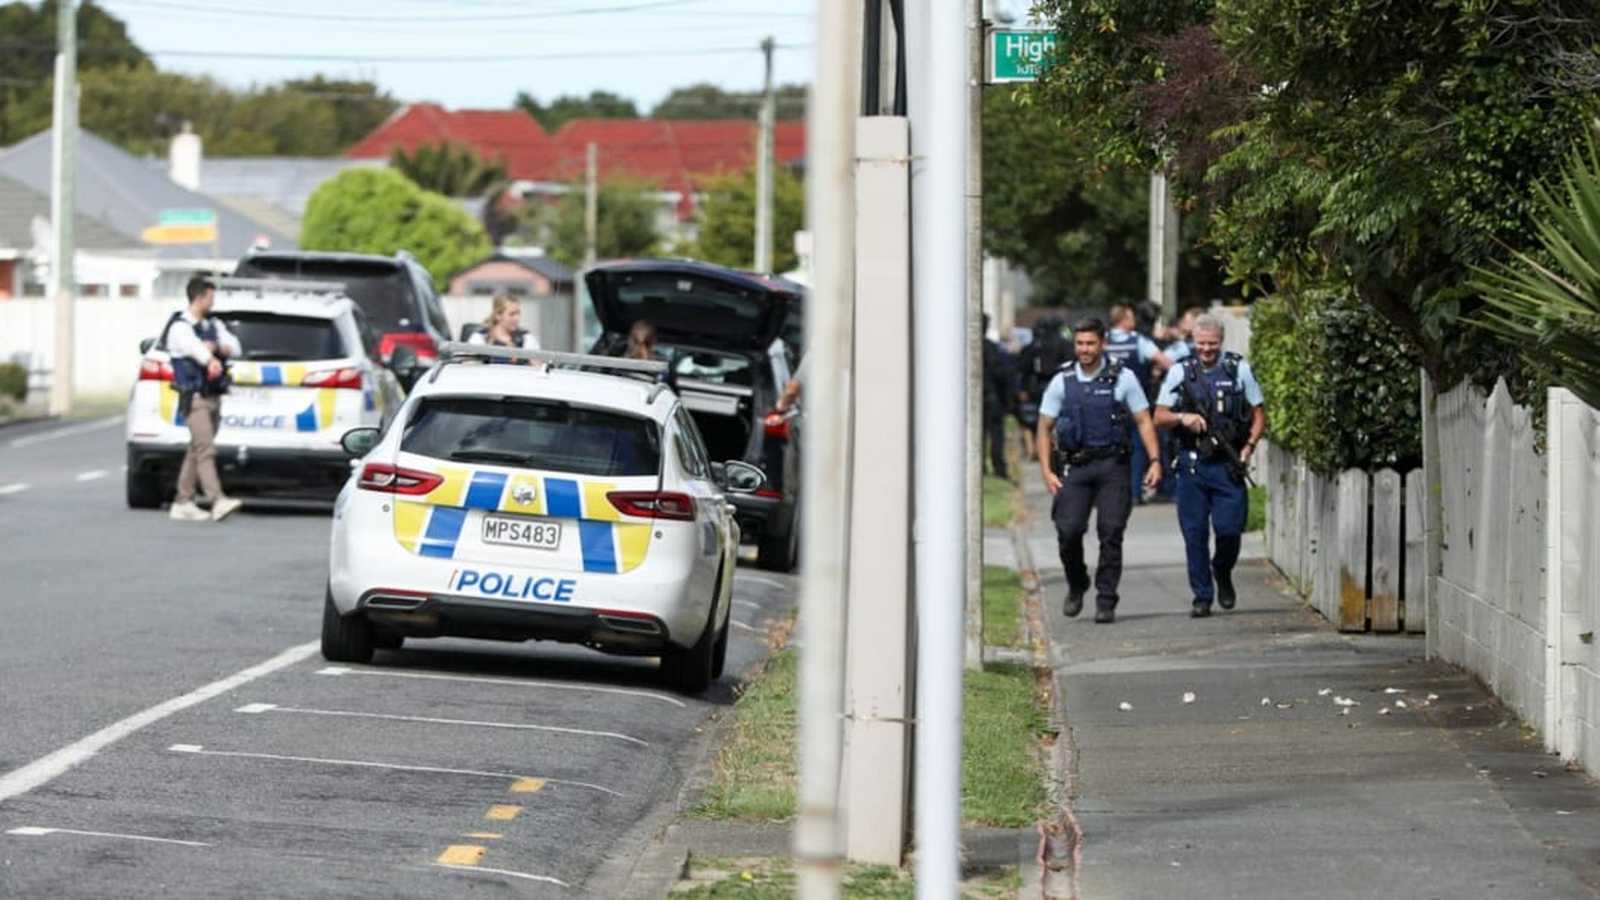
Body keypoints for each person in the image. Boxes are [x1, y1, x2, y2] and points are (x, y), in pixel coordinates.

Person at [1036, 317, 1163, 624]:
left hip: (1113, 467)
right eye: (1080, 343)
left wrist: (1155, 460)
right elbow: (1044, 427)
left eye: (1091, 343)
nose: (1085, 349)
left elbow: (1144, 420)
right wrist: (1046, 471)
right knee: (1068, 531)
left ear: (1103, 343)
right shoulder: (1062, 380)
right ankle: (1077, 582)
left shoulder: (1124, 378)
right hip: (1076, 467)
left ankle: (1106, 599)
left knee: (1111, 532)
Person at [1153, 313, 1266, 618]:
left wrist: (1249, 448)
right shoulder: (1180, 372)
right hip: (1192, 467)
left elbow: (1258, 415)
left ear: (1221, 342)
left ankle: (1223, 571)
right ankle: (1201, 596)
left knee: (1230, 531)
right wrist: (1182, 418)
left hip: (1228, 466)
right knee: (1195, 534)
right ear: (1193, 341)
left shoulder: (1237, 369)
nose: (1206, 350)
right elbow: (1159, 416)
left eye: (1212, 344)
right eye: (1201, 344)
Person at [163, 276, 243, 523]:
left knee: (196, 449)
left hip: (213, 396)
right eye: (210, 297)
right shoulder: (179, 327)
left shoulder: (213, 324)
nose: (213, 301)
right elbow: (195, 349)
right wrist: (211, 358)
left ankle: (183, 501)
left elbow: (235, 346)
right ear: (199, 298)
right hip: (194, 396)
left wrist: (217, 348)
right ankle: (217, 499)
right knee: (206, 448)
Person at [1103, 304, 1174, 504]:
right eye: (1131, 316)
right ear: (1124, 319)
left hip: (1105, 402)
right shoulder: (1138, 341)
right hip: (1136, 403)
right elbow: (1167, 362)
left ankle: (1108, 493)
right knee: (1137, 448)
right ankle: (1133, 493)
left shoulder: (1103, 341)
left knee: (1106, 447)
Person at [982, 313, 1016, 480]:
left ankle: (983, 466)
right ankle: (998, 467)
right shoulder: (991, 348)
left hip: (988, 396)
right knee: (996, 435)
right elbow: (1003, 374)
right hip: (992, 396)